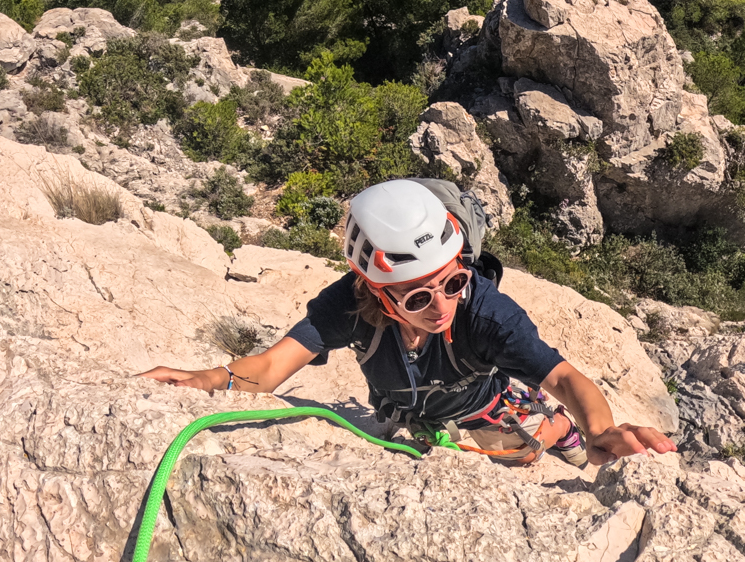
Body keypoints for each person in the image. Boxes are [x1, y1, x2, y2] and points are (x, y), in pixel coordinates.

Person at [143, 178, 677, 467]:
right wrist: (212, 380)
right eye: (417, 296)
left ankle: (555, 425)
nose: (442, 306)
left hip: (485, 402)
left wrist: (600, 429)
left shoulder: (485, 311)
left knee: (527, 453)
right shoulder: (347, 306)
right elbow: (271, 367)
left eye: (452, 282)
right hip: (409, 412)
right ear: (374, 289)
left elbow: (563, 377)